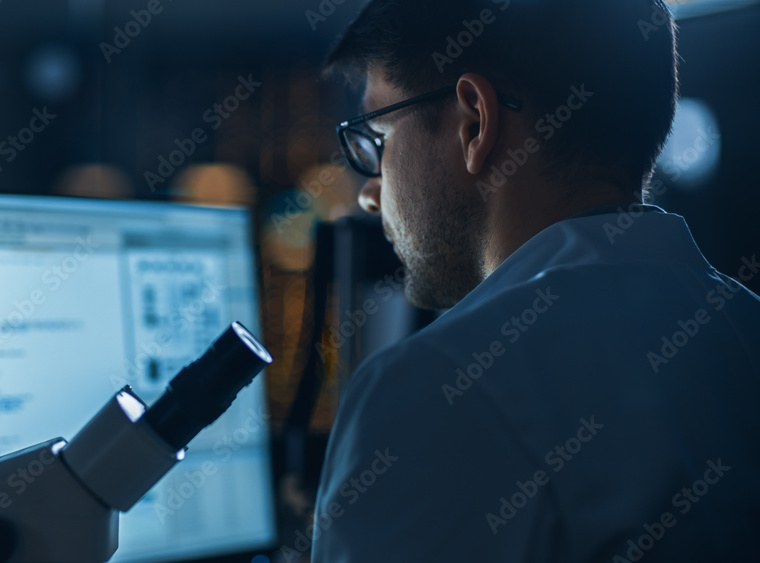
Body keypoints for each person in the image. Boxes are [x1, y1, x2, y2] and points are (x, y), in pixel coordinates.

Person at [310, 0, 760, 561]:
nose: (369, 193)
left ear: (475, 122)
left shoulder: (430, 391)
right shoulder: (743, 330)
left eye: (378, 140)